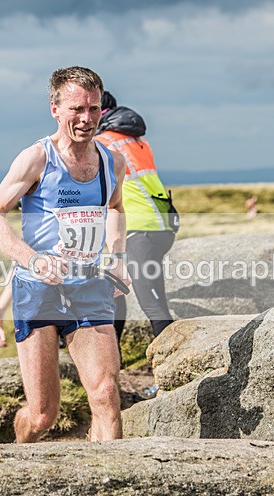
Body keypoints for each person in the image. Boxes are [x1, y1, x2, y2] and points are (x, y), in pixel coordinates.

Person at [0, 66, 129, 443]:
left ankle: (109, 486)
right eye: (77, 109)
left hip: (89, 288)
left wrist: (118, 257)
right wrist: (33, 259)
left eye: (94, 109)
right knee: (43, 416)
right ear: (55, 109)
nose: (86, 118)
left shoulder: (113, 161)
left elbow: (115, 208)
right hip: (38, 291)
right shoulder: (36, 158)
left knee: (106, 395)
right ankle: (19, 454)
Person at [95, 91, 176, 341]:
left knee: (153, 307)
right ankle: (113, 360)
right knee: (114, 290)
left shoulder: (102, 142)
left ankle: (167, 376)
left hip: (138, 230)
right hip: (160, 224)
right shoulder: (136, 140)